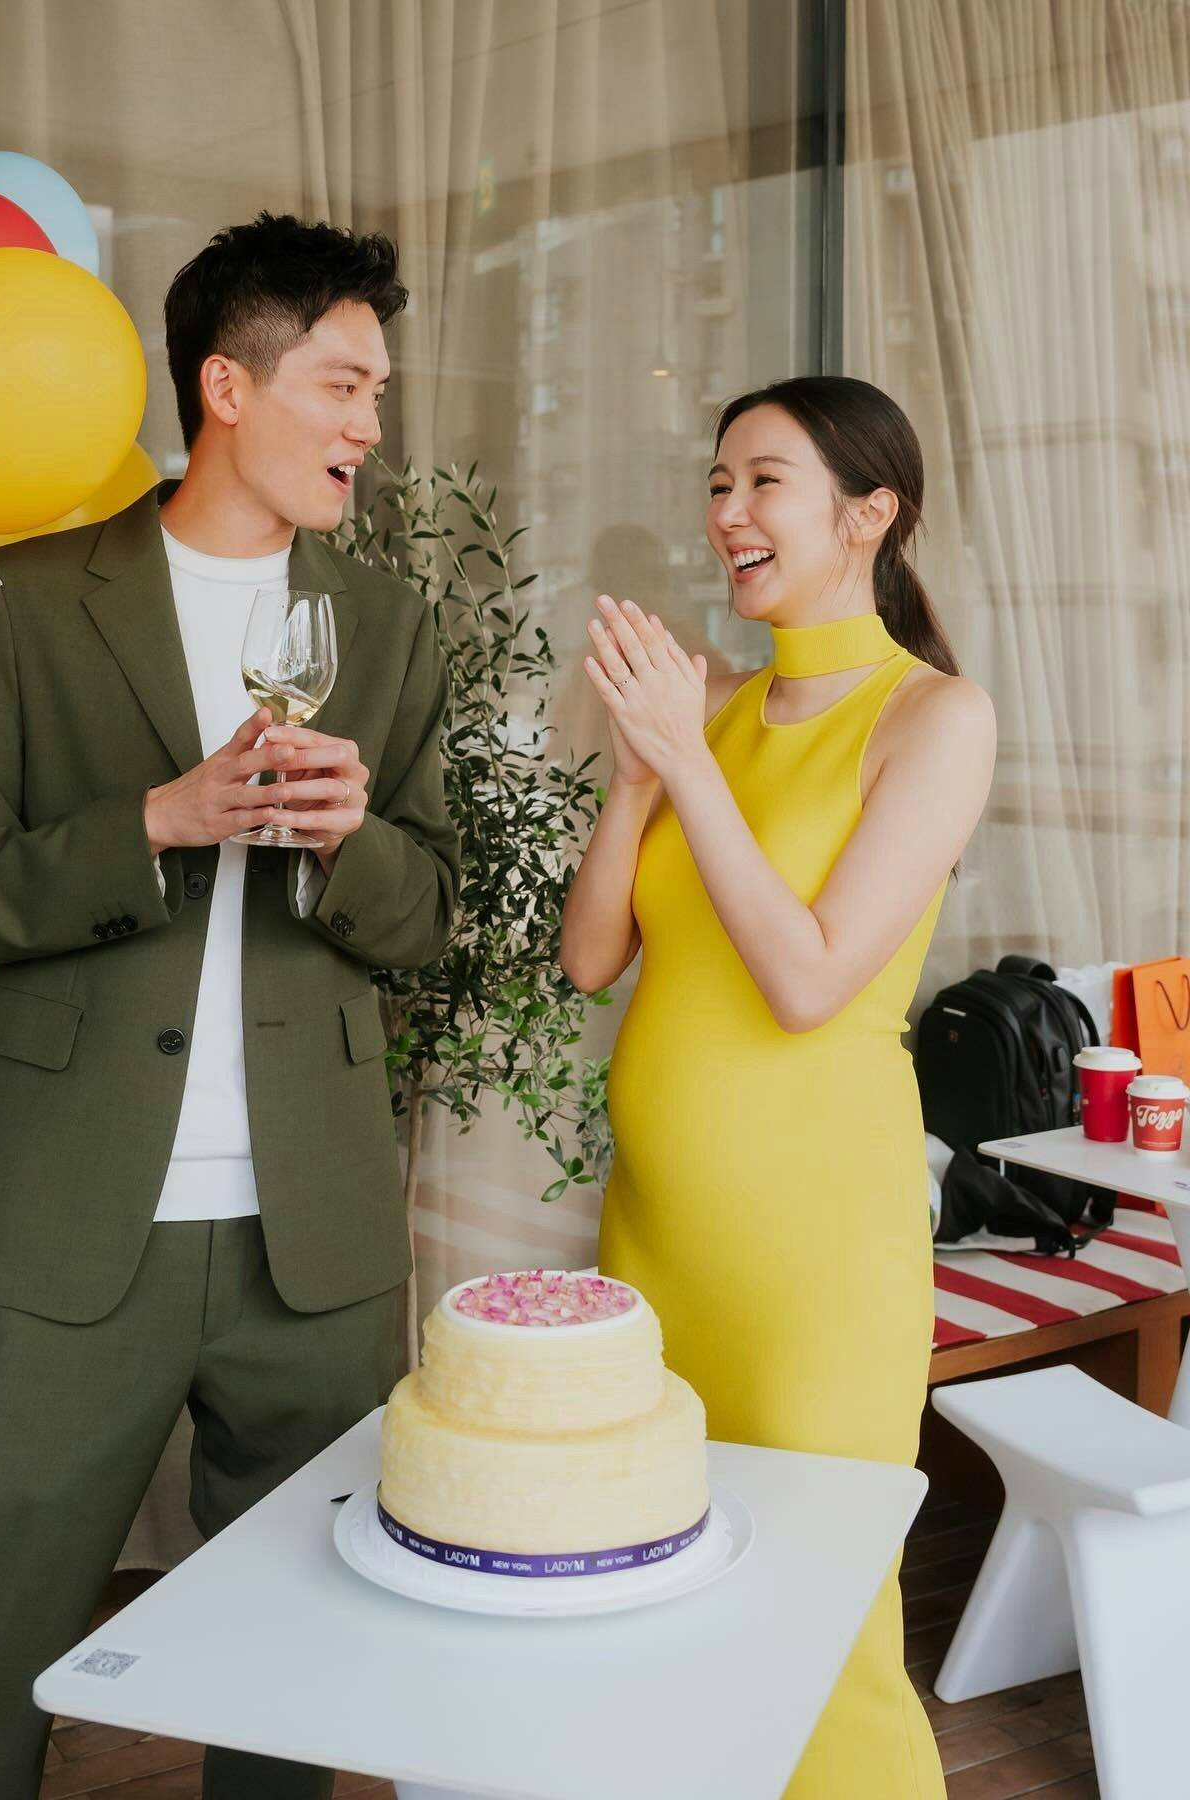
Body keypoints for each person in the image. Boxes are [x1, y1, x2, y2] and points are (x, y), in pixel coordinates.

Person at [0, 213, 459, 1800]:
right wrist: (155, 823)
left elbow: (430, 914)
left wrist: (348, 847)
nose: (371, 424)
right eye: (343, 385)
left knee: (297, 1682)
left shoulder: (389, 627)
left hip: (314, 1240)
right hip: (67, 1228)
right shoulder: (21, 599)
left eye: (379, 391)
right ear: (227, 386)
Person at [560, 374, 995, 1798]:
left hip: (816, 1254)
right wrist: (640, 777)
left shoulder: (934, 717)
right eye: (718, 482)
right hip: (654, 1237)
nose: (728, 512)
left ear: (870, 514)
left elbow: (808, 982)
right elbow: (590, 958)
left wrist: (685, 760)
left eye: (765, 481)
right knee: (664, 1593)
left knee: (822, 1624)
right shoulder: (715, 712)